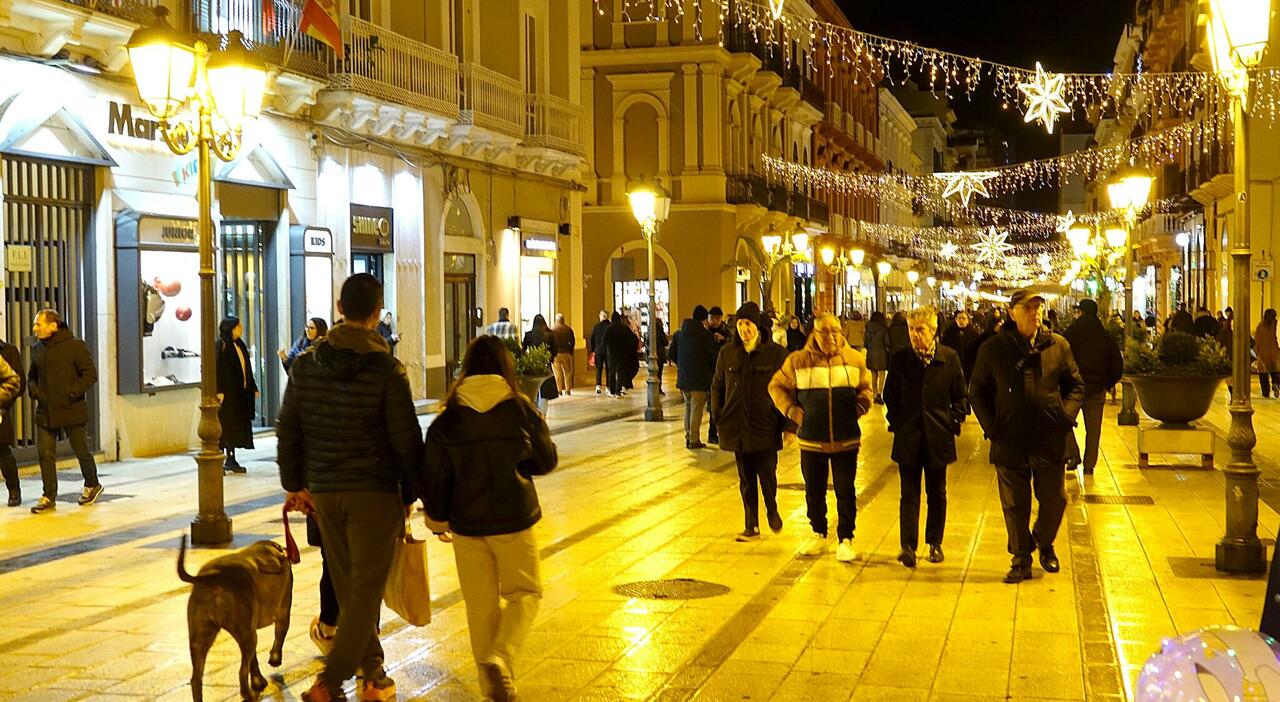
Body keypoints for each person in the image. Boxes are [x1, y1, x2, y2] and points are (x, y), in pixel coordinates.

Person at [277, 273, 423, 702]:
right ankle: (331, 680)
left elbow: (289, 429)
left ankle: (373, 673)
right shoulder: (386, 369)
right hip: (373, 493)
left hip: (324, 492)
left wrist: (296, 484)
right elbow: (406, 439)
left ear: (340, 310)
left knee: (348, 588)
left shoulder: (305, 365)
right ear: (377, 313)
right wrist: (412, 492)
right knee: (363, 591)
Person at [423, 335, 557, 702]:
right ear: (505, 367)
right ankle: (502, 658)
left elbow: (433, 476)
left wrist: (437, 520)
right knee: (525, 592)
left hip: (466, 526)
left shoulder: (446, 420)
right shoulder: (520, 409)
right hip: (514, 520)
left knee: (480, 608)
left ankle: (493, 689)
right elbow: (546, 460)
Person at [969, 290, 1084, 584]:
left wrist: (1065, 416)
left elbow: (1076, 386)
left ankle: (1043, 541)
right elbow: (977, 391)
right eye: (1028, 307)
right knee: (1014, 505)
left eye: (1038, 307)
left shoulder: (1057, 346)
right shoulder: (994, 349)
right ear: (1012, 312)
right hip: (1010, 438)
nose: (1035, 312)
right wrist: (992, 427)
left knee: (1055, 500)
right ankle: (1021, 559)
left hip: (1049, 437)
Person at [769, 313, 874, 562]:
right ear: (814, 334)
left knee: (845, 489)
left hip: (846, 438)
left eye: (835, 331)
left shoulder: (854, 359)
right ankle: (818, 532)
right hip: (812, 440)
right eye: (824, 332)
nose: (831, 336)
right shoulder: (798, 361)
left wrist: (860, 407)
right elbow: (776, 386)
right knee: (814, 490)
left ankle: (846, 538)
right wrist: (793, 412)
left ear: (842, 332)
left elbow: (866, 388)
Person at [884, 307, 966, 568]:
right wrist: (897, 423)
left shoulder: (949, 358)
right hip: (909, 435)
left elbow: (960, 396)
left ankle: (935, 543)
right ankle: (908, 545)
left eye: (920, 329)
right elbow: (890, 396)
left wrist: (951, 420)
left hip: (937, 436)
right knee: (908, 493)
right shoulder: (900, 359)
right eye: (911, 329)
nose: (914, 334)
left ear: (933, 332)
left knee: (937, 493)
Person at [711, 302, 790, 542]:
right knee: (746, 480)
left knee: (767, 475)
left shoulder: (775, 354)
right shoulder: (727, 353)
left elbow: (789, 388)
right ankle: (751, 525)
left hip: (765, 425)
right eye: (741, 324)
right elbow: (717, 386)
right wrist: (718, 414)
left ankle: (772, 509)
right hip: (736, 426)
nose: (744, 329)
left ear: (757, 327)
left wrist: (789, 424)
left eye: (749, 324)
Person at [28, 310, 101, 514]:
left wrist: (71, 392)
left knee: (81, 450)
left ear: (53, 326)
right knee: (45, 453)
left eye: (38, 324)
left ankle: (92, 483)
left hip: (72, 408)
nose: (35, 329)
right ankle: (48, 496)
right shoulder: (37, 348)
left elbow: (90, 374)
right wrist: (35, 391)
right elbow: (31, 376)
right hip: (45, 410)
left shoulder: (75, 345)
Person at [1062, 299, 1123, 475]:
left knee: (1063, 422)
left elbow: (1060, 357)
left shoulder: (1071, 333)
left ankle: (1073, 454)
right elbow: (1117, 364)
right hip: (1097, 389)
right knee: (1093, 430)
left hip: (1073, 388)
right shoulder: (1105, 336)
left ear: (1080, 312)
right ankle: (1089, 465)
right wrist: (1108, 383)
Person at [667, 305, 718, 448]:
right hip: (699, 378)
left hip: (684, 378)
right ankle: (694, 440)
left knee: (688, 407)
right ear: (703, 319)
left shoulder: (679, 334)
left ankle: (688, 435)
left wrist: (682, 365)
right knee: (696, 409)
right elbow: (713, 356)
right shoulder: (705, 336)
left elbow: (671, 354)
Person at [216, 317, 258, 475]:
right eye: (238, 326)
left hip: (240, 394)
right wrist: (219, 390)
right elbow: (216, 369)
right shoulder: (222, 345)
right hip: (227, 395)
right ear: (231, 328)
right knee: (224, 426)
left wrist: (252, 387)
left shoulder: (240, 344)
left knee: (235, 426)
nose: (241, 328)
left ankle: (231, 458)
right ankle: (218, 460)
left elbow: (246, 369)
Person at [0, 336, 22, 507]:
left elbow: (17, 382)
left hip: (2, 410)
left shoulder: (8, 351)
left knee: (3, 452)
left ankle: (14, 490)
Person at [521, 314, 558, 413]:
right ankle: (543, 413)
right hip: (545, 364)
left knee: (534, 390)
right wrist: (550, 358)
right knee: (545, 391)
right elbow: (555, 349)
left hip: (533, 365)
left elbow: (523, 348)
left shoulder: (529, 335)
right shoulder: (550, 334)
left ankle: (534, 410)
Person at [706, 306, 730, 444]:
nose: (714, 321)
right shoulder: (705, 332)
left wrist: (724, 339)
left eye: (717, 318)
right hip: (710, 373)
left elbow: (733, 346)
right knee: (713, 404)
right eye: (712, 318)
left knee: (724, 403)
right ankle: (712, 432)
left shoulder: (726, 331)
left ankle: (722, 431)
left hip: (724, 373)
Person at [940, 309, 982, 383]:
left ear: (968, 320)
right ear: (956, 320)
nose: (961, 320)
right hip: (953, 365)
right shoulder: (949, 332)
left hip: (969, 366)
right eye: (959, 318)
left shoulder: (974, 334)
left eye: (964, 318)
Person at [603, 312, 638, 398]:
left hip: (611, 354)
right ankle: (618, 390)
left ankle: (612, 390)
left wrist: (606, 351)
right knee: (620, 372)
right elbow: (633, 339)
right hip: (622, 353)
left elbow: (604, 342)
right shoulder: (624, 328)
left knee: (611, 372)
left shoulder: (609, 329)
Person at [864, 311, 891, 403]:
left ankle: (874, 394)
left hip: (871, 353)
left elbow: (865, 342)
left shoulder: (868, 328)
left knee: (873, 374)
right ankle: (880, 394)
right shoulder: (883, 329)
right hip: (881, 353)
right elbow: (887, 342)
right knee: (882, 374)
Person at [550, 313, 576, 397]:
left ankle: (559, 390)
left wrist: (552, 353)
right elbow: (572, 341)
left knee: (558, 373)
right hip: (566, 353)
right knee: (567, 372)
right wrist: (570, 351)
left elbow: (551, 343)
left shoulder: (553, 329)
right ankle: (568, 390)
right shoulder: (568, 329)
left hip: (556, 354)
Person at [1257, 309, 1280, 398]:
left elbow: (1257, 339)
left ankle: (1265, 392)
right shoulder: (1276, 324)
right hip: (1275, 353)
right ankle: (1276, 383)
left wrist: (1257, 352)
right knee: (1276, 372)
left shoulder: (1260, 325)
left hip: (1263, 354)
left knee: (1263, 374)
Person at [589, 311, 611, 394]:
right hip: (608, 350)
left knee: (599, 368)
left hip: (598, 350)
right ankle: (608, 386)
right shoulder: (610, 326)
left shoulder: (596, 326)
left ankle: (598, 385)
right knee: (608, 368)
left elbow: (591, 339)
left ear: (601, 316)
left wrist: (593, 350)